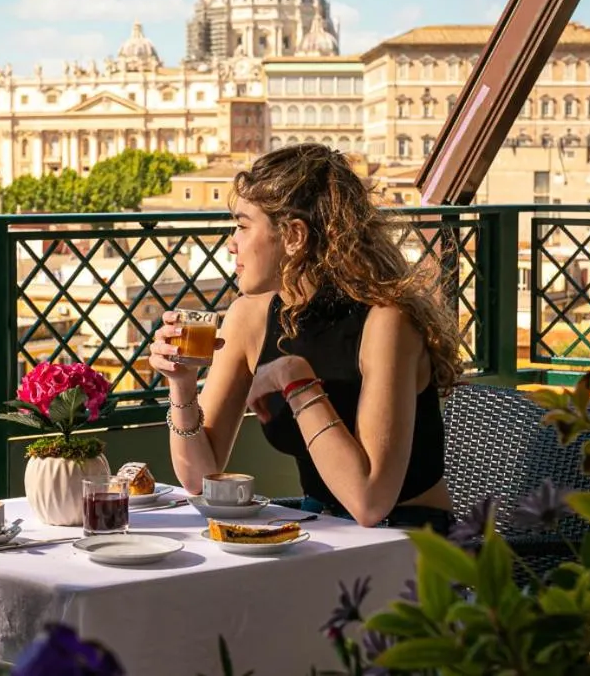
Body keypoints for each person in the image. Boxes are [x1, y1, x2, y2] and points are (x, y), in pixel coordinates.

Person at [149, 143, 460, 532]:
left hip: (411, 542)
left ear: (294, 236)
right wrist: (181, 386)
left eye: (243, 226)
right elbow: (200, 478)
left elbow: (370, 503)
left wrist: (293, 377)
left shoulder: (386, 322)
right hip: (320, 533)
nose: (231, 242)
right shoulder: (250, 315)